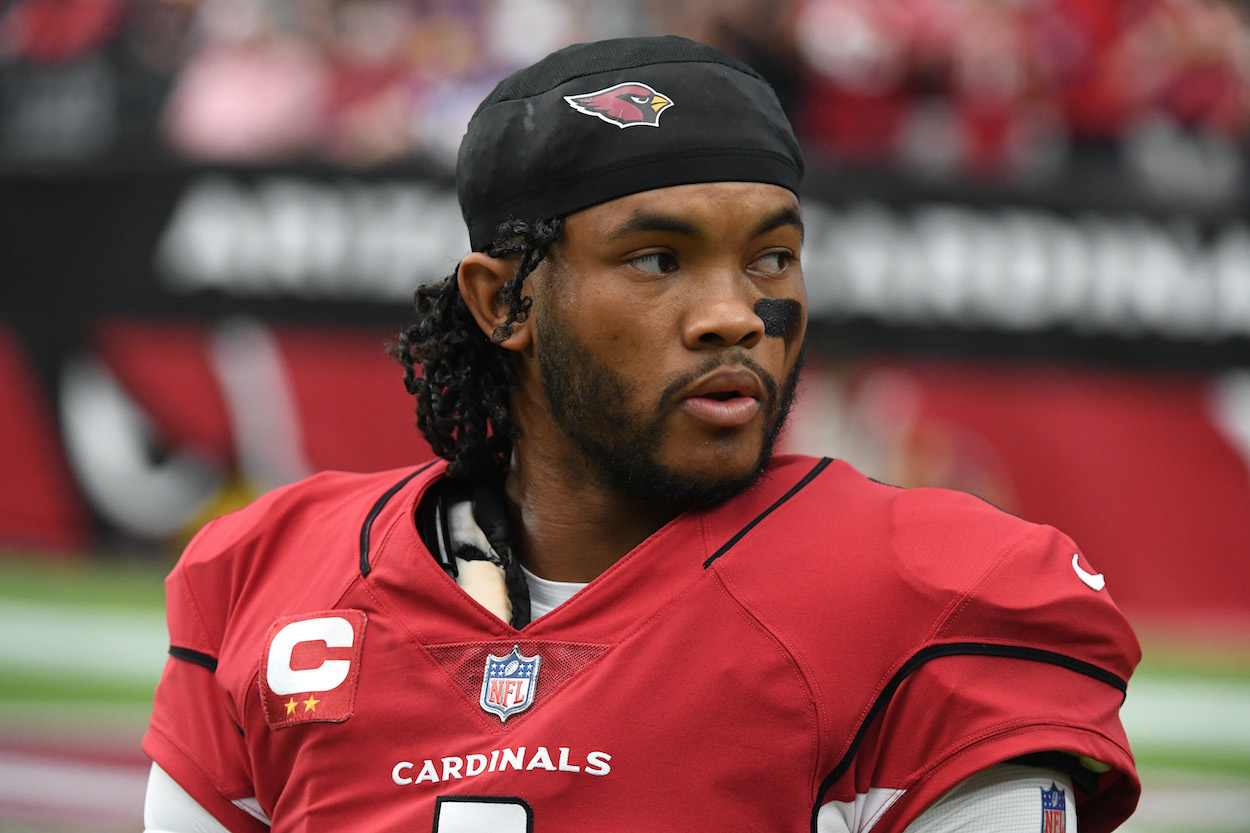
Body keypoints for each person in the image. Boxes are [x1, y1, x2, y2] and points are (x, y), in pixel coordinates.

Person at [142, 35, 1140, 833]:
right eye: (657, 260)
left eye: (770, 258)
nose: (732, 314)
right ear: (503, 302)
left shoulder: (934, 591)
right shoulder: (270, 574)